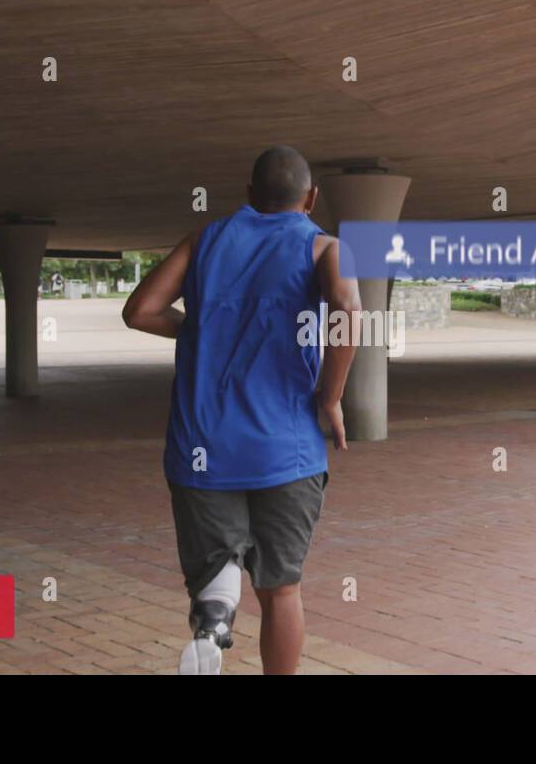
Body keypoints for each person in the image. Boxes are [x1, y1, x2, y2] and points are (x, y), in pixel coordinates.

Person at [122, 145, 361, 675]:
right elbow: (348, 308)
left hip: (202, 443)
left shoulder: (204, 239)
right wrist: (331, 396)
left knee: (218, 567)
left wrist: (198, 329)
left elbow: (140, 312)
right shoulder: (326, 248)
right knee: (280, 589)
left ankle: (214, 622)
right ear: (312, 197)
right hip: (287, 447)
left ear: (249, 195)